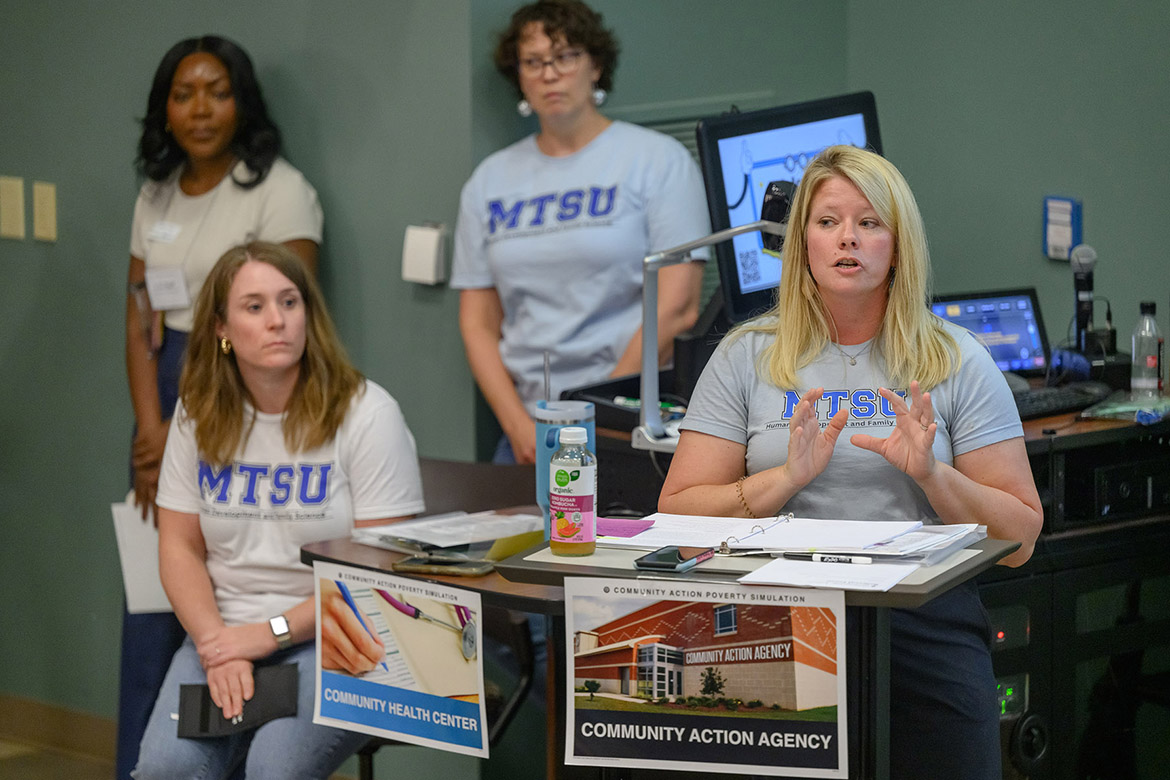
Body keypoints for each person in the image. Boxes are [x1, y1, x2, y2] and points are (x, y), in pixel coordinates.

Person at [659, 145, 1043, 779]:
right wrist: (784, 479)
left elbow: (1022, 538)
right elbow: (676, 511)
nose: (848, 239)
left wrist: (931, 474)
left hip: (923, 627)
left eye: (869, 223)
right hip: (776, 624)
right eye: (828, 221)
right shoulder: (744, 356)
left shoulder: (956, 359)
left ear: (899, 244)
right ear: (802, 240)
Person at [134, 242, 425, 779]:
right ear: (221, 328)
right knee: (164, 769)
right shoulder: (196, 414)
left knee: (274, 768)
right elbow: (178, 545)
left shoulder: (366, 413)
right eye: (255, 307)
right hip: (224, 631)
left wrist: (266, 635)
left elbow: (384, 575)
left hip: (346, 635)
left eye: (290, 303)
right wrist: (216, 644)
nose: (278, 321)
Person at [119, 35, 323, 779]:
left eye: (217, 90)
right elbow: (137, 310)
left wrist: (188, 412)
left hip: (242, 388)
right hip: (167, 399)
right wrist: (150, 426)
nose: (200, 108)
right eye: (183, 93)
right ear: (163, 110)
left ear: (244, 102)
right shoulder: (156, 193)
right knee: (157, 609)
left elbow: (288, 321)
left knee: (238, 578)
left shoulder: (279, 190)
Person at [452, 0, 712, 464]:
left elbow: (678, 308)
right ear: (519, 76)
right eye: (533, 61)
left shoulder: (656, 161)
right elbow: (477, 323)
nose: (550, 73)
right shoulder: (488, 182)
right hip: (527, 431)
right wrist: (517, 425)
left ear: (595, 65)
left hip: (628, 419)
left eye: (566, 56)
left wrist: (599, 410)